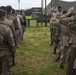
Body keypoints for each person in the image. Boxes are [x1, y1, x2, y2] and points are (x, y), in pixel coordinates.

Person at [0, 9, 16, 75]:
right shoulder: (6, 28)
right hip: (4, 54)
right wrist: (13, 53)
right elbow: (11, 44)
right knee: (5, 72)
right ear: (4, 17)